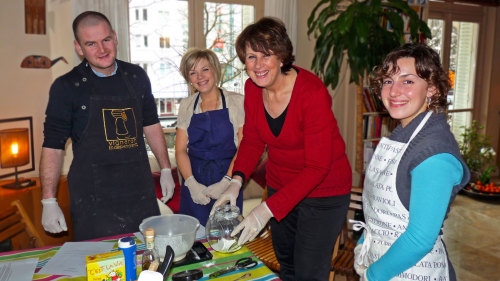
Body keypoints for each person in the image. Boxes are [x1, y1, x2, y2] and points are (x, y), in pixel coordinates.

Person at [212, 17, 352, 281]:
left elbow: (317, 167)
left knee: (308, 272)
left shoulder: (311, 92)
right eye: (251, 57)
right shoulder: (252, 89)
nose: (258, 65)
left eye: (266, 55)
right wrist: (235, 180)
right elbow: (253, 139)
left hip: (323, 192)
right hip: (281, 185)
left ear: (282, 56)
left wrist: (266, 209)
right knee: (286, 265)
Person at [40, 11, 176, 241]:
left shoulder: (136, 76)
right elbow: (53, 146)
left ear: (115, 37)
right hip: (93, 201)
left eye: (105, 40)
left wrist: (165, 168)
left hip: (139, 192)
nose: (102, 49)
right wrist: (48, 199)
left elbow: (151, 124)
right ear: (79, 48)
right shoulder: (66, 87)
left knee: (147, 261)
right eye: (91, 43)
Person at [353, 43, 470, 281]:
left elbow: (419, 238)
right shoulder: (402, 135)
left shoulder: (434, 153)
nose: (394, 91)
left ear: (432, 89)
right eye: (388, 80)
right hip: (382, 262)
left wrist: (373, 274)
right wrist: (364, 243)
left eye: (407, 81)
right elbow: (377, 207)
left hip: (413, 273)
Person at [175, 48, 244, 226]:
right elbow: (181, 150)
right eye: (193, 72)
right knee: (194, 240)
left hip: (228, 176)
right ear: (188, 78)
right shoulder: (187, 105)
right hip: (195, 179)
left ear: (214, 70)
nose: (200, 77)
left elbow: (245, 147)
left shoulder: (237, 101)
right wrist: (191, 183)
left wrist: (227, 181)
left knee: (226, 238)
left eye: (205, 69)